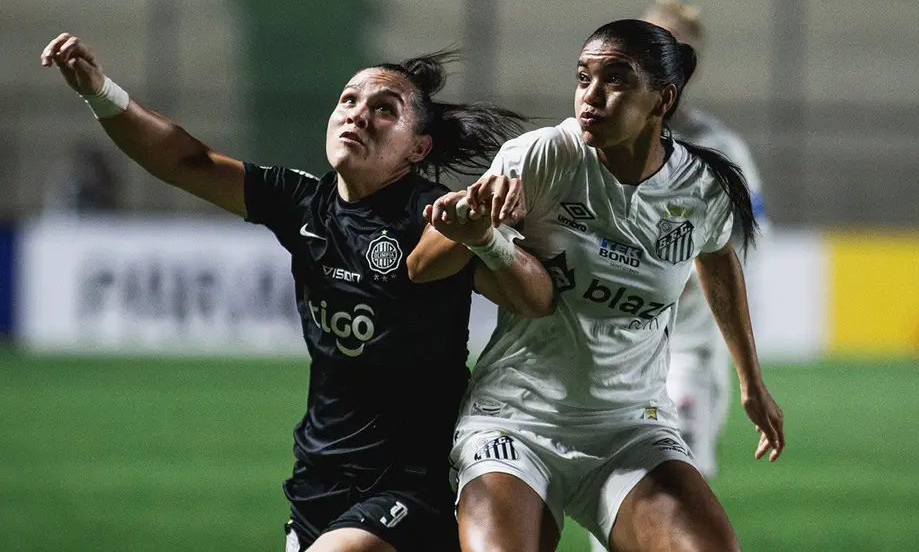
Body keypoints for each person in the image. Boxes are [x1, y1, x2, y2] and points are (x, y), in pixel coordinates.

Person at [40, 33, 555, 552]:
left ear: (418, 148)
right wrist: (100, 92)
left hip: (412, 482)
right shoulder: (303, 202)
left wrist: (487, 239)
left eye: (384, 110)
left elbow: (533, 296)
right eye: (348, 100)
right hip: (317, 478)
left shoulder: (438, 217)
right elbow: (185, 161)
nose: (357, 115)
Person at [408, 19, 785, 552]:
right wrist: (473, 222)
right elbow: (422, 266)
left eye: (616, 80)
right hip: (516, 422)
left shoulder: (703, 187)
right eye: (584, 78)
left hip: (630, 427)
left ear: (662, 100)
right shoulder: (542, 157)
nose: (591, 95)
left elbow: (719, 259)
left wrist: (751, 382)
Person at [641, 0, 770, 484]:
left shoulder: (718, 147)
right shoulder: (593, 138)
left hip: (688, 344)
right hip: (610, 344)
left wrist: (699, 271)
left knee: (678, 477)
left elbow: (752, 235)